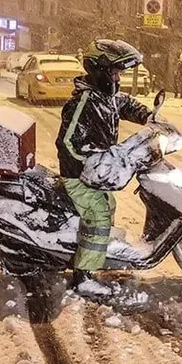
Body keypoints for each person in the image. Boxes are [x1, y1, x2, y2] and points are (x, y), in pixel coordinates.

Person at [55, 39, 152, 289]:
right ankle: (84, 275)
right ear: (100, 70)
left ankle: (93, 250)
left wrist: (150, 118)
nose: (118, 79)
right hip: (79, 176)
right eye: (114, 72)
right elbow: (67, 142)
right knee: (98, 215)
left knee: (108, 204)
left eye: (119, 73)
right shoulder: (83, 102)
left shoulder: (105, 97)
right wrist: (90, 162)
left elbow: (125, 104)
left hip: (96, 174)